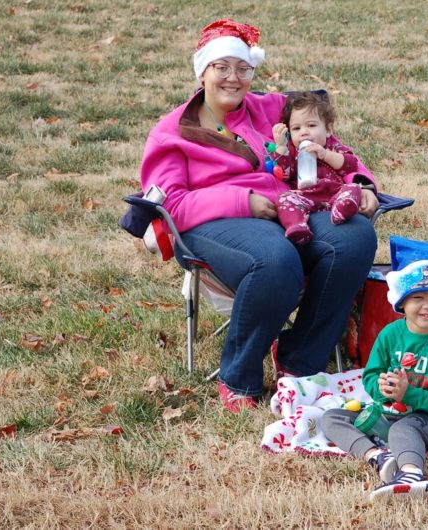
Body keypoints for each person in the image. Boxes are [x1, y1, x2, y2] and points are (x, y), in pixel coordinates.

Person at [140, 19, 380, 412]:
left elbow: (327, 141)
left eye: (243, 68)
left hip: (293, 207)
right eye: (222, 67)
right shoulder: (172, 132)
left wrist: (361, 182)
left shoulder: (270, 108)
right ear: (202, 71)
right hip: (212, 223)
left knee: (353, 239)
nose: (233, 78)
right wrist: (243, 202)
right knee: (274, 259)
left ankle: (300, 361)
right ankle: (239, 376)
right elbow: (172, 205)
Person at [321, 260, 428, 500]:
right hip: (391, 408)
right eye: (418, 298)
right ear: (402, 303)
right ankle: (377, 456)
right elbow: (371, 374)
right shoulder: (390, 334)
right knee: (332, 417)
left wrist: (410, 395)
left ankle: (411, 473)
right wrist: (381, 388)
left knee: (403, 428)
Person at [269, 91, 363, 245]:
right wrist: (281, 147)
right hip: (305, 197)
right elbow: (283, 174)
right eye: (296, 129)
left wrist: (325, 154)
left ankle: (342, 210)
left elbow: (350, 164)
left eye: (311, 125)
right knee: (283, 198)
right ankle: (297, 226)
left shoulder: (333, 147)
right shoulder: (292, 151)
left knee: (353, 188)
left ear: (328, 130)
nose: (304, 132)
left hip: (334, 193)